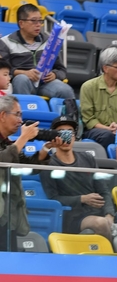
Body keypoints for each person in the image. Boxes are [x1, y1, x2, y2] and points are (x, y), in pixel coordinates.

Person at [0, 95, 65, 251]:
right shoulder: (14, 144)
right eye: (17, 114)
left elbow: (27, 167)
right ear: (2, 115)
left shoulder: (8, 143)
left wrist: (46, 148)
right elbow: (2, 160)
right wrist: (23, 137)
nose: (20, 120)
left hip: (8, 215)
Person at [40, 116, 115, 241]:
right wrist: (82, 199)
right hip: (72, 216)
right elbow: (53, 198)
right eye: (61, 133)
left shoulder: (87, 158)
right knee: (100, 223)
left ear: (75, 136)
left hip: (98, 212)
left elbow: (103, 190)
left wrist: (109, 214)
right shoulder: (48, 164)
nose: (66, 136)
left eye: (70, 132)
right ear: (54, 137)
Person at [0, 4, 74, 99]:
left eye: (40, 21)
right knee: (21, 79)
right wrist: (23, 72)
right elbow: (3, 70)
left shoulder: (49, 41)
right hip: (22, 82)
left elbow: (61, 70)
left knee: (65, 90)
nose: (38, 24)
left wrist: (54, 74)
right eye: (34, 21)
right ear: (21, 23)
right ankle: (24, 108)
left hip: (45, 83)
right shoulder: (6, 42)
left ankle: (70, 109)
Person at [80, 47, 117, 150]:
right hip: (95, 130)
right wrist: (107, 129)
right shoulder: (88, 87)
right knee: (108, 136)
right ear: (106, 68)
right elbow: (89, 119)